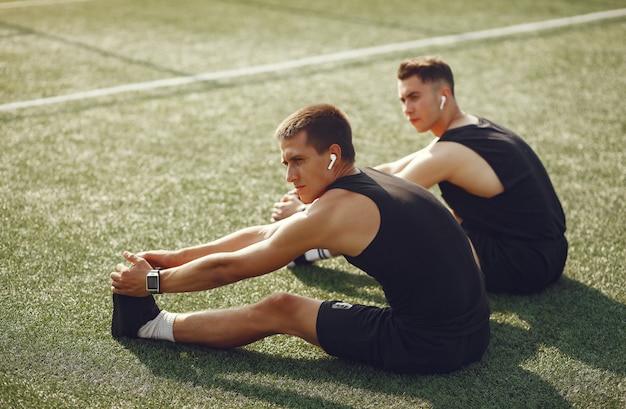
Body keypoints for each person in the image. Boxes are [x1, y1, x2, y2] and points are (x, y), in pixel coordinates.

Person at [110, 103, 490, 374]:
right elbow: (266, 232)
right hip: (476, 330)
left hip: (430, 345)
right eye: (285, 163)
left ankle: (149, 327)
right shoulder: (368, 179)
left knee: (281, 308)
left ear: (331, 155)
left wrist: (151, 282)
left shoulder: (338, 209)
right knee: (286, 298)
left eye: (299, 161)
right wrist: (176, 257)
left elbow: (230, 269)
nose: (290, 176)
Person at [272, 56, 568, 295]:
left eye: (414, 97)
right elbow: (388, 171)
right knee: (441, 219)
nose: (407, 109)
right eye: (402, 100)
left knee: (403, 226)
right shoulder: (467, 129)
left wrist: (304, 211)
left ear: (443, 96)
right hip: (545, 250)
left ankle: (310, 249)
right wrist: (328, 181)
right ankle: (311, 249)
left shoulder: (450, 153)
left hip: (526, 263)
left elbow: (379, 200)